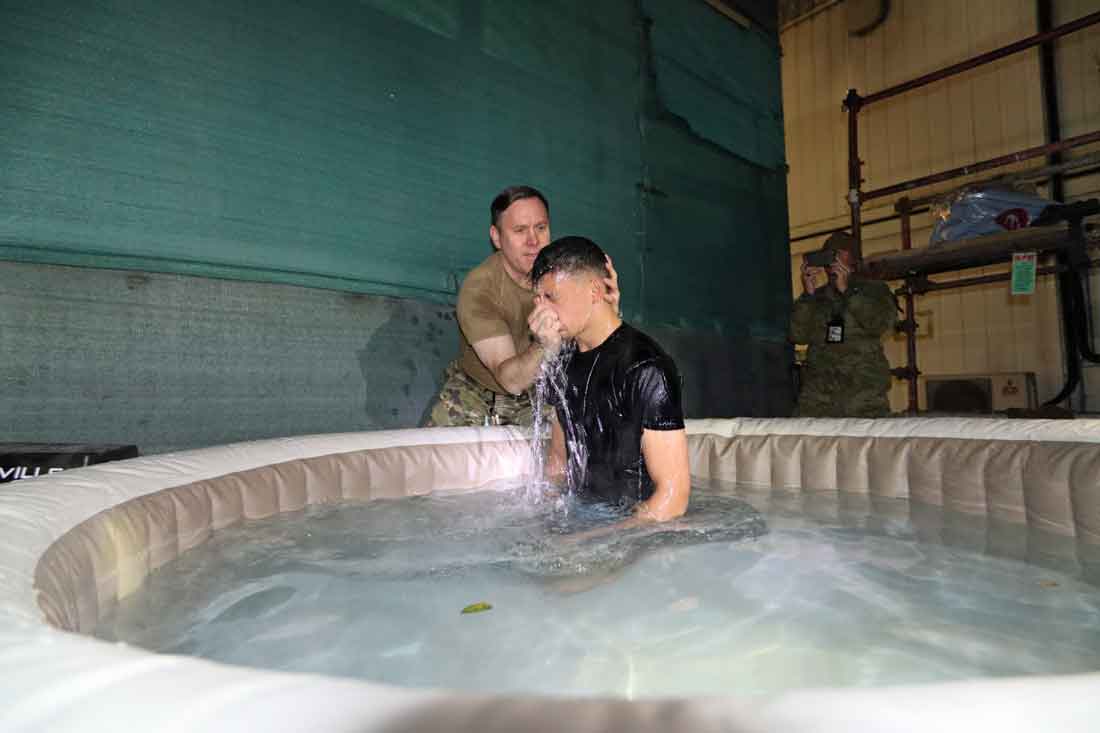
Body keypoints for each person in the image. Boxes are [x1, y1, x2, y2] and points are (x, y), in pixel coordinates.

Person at [424, 186, 619, 427]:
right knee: (428, 458)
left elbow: (597, 355)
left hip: (541, 389)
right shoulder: (480, 287)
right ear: (496, 237)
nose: (533, 241)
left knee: (593, 436)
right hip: (479, 392)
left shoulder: (569, 277)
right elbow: (510, 381)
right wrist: (543, 346)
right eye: (519, 230)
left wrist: (607, 313)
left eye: (541, 228)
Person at [532, 236, 691, 523]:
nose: (540, 312)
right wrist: (548, 521)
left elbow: (673, 497)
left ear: (594, 291)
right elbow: (557, 465)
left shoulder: (647, 368)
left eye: (551, 297)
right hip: (585, 516)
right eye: (538, 299)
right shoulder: (563, 363)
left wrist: (592, 543)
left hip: (637, 529)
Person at [790, 231, 897, 418]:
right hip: (819, 396)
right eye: (830, 254)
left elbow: (880, 325)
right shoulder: (818, 297)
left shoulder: (874, 290)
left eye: (839, 253)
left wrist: (847, 290)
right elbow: (797, 335)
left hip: (861, 394)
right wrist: (808, 296)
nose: (833, 260)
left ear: (853, 258)